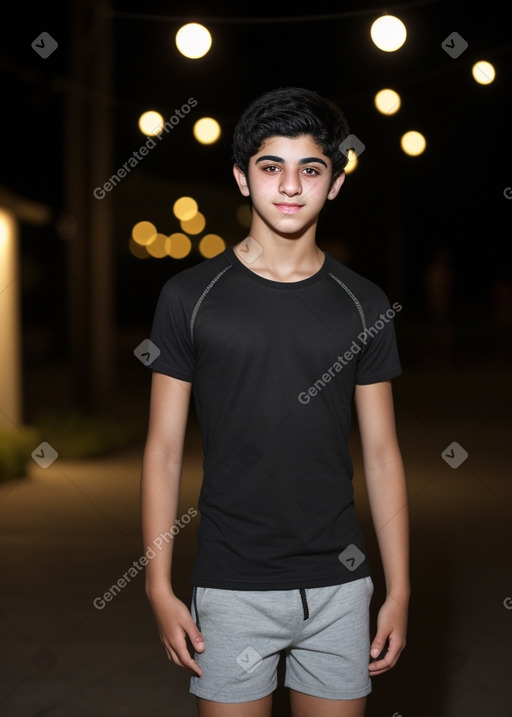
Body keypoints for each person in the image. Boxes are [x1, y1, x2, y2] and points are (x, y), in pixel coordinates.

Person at [141, 87, 409, 717]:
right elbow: (162, 452)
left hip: (341, 589)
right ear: (242, 177)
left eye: (311, 169)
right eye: (271, 167)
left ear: (334, 184)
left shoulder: (364, 304)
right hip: (231, 585)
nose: (290, 186)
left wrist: (398, 590)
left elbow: (382, 454)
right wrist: (157, 584)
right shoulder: (189, 297)